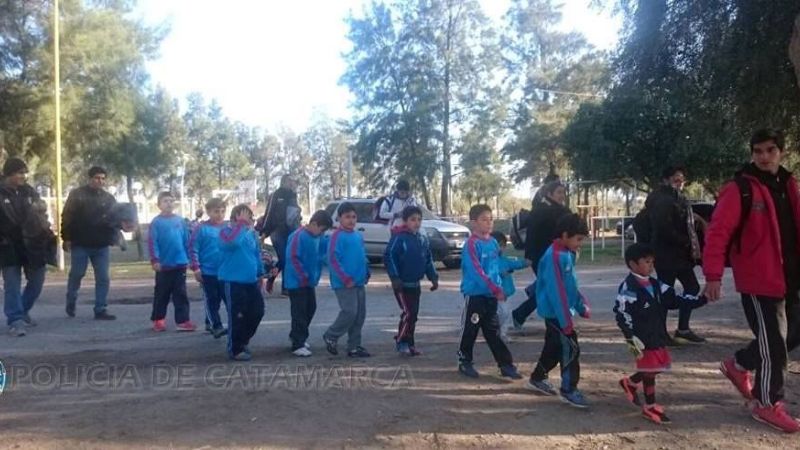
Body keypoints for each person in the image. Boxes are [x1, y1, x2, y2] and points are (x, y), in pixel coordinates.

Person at [703, 129, 800, 433]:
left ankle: (740, 364)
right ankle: (767, 403)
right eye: (758, 151)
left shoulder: (789, 184)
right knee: (774, 344)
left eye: (770, 150)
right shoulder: (739, 188)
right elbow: (718, 233)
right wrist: (713, 276)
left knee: (791, 335)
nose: (764, 156)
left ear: (780, 151)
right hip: (760, 280)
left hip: (790, 277)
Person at [615, 243, 707, 424]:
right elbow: (621, 313)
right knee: (650, 371)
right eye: (646, 262)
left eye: (652, 262)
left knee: (656, 367)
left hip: (656, 334)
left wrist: (702, 300)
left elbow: (676, 299)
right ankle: (649, 406)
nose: (651, 265)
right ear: (633, 265)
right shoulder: (628, 289)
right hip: (641, 338)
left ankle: (630, 383)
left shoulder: (656, 285)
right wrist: (630, 337)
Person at [525, 213, 590, 408]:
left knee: (553, 348)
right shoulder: (553, 257)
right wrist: (566, 321)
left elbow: (571, 285)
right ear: (564, 235)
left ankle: (537, 377)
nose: (580, 244)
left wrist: (580, 304)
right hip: (556, 314)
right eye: (578, 239)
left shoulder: (566, 254)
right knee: (570, 349)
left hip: (562, 312)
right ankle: (569, 389)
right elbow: (557, 292)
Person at [457, 204, 522, 380]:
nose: (489, 223)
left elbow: (494, 268)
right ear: (473, 223)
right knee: (470, 329)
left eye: (490, 219)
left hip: (490, 297)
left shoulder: (493, 243)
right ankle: (465, 361)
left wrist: (498, 286)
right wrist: (493, 287)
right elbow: (476, 271)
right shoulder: (471, 245)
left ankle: (506, 365)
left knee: (493, 331)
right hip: (475, 295)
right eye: (484, 220)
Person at [645, 166, 705, 344]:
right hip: (666, 254)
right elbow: (663, 228)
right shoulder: (663, 200)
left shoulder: (677, 198)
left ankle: (683, 329)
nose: (679, 183)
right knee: (666, 292)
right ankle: (661, 332)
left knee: (692, 288)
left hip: (679, 254)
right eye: (675, 180)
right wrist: (684, 240)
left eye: (681, 180)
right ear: (666, 180)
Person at [62, 166, 122, 320]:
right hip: (81, 243)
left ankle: (100, 309)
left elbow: (115, 219)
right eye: (97, 178)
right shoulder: (77, 195)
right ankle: (71, 300)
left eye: (103, 178)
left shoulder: (109, 198)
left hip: (101, 245)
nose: (100, 181)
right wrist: (66, 238)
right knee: (77, 274)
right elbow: (67, 217)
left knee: (103, 278)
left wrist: (118, 232)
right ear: (89, 179)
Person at [0, 158, 52, 336]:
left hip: (32, 243)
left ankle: (23, 310)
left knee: (37, 280)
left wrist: (46, 230)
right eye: (20, 172)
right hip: (8, 245)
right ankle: (15, 320)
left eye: (25, 172)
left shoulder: (29, 192)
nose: (24, 176)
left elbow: (41, 214)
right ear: (9, 174)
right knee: (12, 284)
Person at [512, 181, 570, 330]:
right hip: (541, 257)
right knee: (553, 288)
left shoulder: (562, 210)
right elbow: (532, 235)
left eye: (563, 192)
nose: (562, 196)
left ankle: (522, 311)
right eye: (558, 192)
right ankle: (553, 323)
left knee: (550, 287)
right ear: (549, 194)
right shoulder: (541, 211)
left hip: (558, 256)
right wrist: (530, 257)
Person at [384, 205, 439, 356]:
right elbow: (389, 257)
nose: (416, 222)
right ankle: (401, 341)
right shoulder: (399, 238)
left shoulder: (421, 239)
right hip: (402, 285)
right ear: (405, 221)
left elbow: (428, 259)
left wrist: (433, 277)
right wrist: (395, 277)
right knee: (408, 313)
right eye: (413, 219)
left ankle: (410, 343)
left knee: (413, 315)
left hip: (415, 284)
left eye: (419, 219)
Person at [322, 202, 372, 358]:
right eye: (347, 217)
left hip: (358, 282)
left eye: (354, 217)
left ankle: (354, 346)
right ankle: (331, 334)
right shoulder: (336, 237)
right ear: (339, 218)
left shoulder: (357, 236)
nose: (351, 220)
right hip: (344, 283)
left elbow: (362, 257)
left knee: (359, 315)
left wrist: (367, 271)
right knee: (349, 312)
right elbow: (333, 260)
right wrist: (344, 278)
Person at [219, 204, 266, 361]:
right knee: (237, 315)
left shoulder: (250, 235)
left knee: (257, 311)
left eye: (249, 219)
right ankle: (235, 347)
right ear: (233, 220)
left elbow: (256, 254)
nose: (248, 223)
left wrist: (260, 273)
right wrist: (240, 226)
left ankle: (243, 339)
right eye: (243, 219)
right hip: (233, 282)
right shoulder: (226, 232)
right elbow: (232, 244)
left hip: (251, 281)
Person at [284, 209, 333, 357]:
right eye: (322, 229)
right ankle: (297, 343)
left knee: (310, 308)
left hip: (309, 282)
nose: (322, 233)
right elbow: (293, 258)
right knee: (299, 312)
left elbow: (323, 254)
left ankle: (297, 336)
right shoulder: (297, 236)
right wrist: (303, 276)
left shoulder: (319, 237)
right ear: (313, 224)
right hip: (296, 282)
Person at [148, 192, 195, 332]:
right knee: (161, 294)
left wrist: (189, 259)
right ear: (159, 205)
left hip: (179, 264)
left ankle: (183, 320)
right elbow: (152, 242)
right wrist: (155, 260)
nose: (168, 204)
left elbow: (187, 241)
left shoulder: (180, 221)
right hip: (163, 266)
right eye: (165, 201)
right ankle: (158, 319)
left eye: (171, 201)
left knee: (180, 294)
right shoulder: (156, 222)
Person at [189, 198, 228, 338]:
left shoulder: (227, 228)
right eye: (216, 211)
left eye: (223, 211)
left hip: (224, 272)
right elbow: (193, 249)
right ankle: (216, 325)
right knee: (211, 299)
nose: (220, 214)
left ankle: (209, 321)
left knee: (222, 298)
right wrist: (196, 268)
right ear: (208, 212)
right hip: (207, 272)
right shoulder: (201, 229)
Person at [260, 175, 301, 296]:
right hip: (276, 231)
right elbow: (269, 213)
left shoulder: (293, 196)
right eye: (289, 181)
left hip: (291, 231)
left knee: (288, 259)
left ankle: (286, 287)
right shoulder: (276, 195)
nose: (291, 184)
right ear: (283, 182)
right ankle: (271, 278)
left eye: (292, 182)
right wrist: (264, 232)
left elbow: (295, 213)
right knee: (283, 258)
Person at [489, 231, 529, 343]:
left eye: (503, 245)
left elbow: (514, 264)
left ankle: (502, 333)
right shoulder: (489, 261)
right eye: (499, 245)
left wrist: (525, 263)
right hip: (496, 294)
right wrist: (500, 274)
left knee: (505, 314)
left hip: (505, 293)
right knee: (500, 314)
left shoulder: (504, 260)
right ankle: (496, 333)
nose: (501, 248)